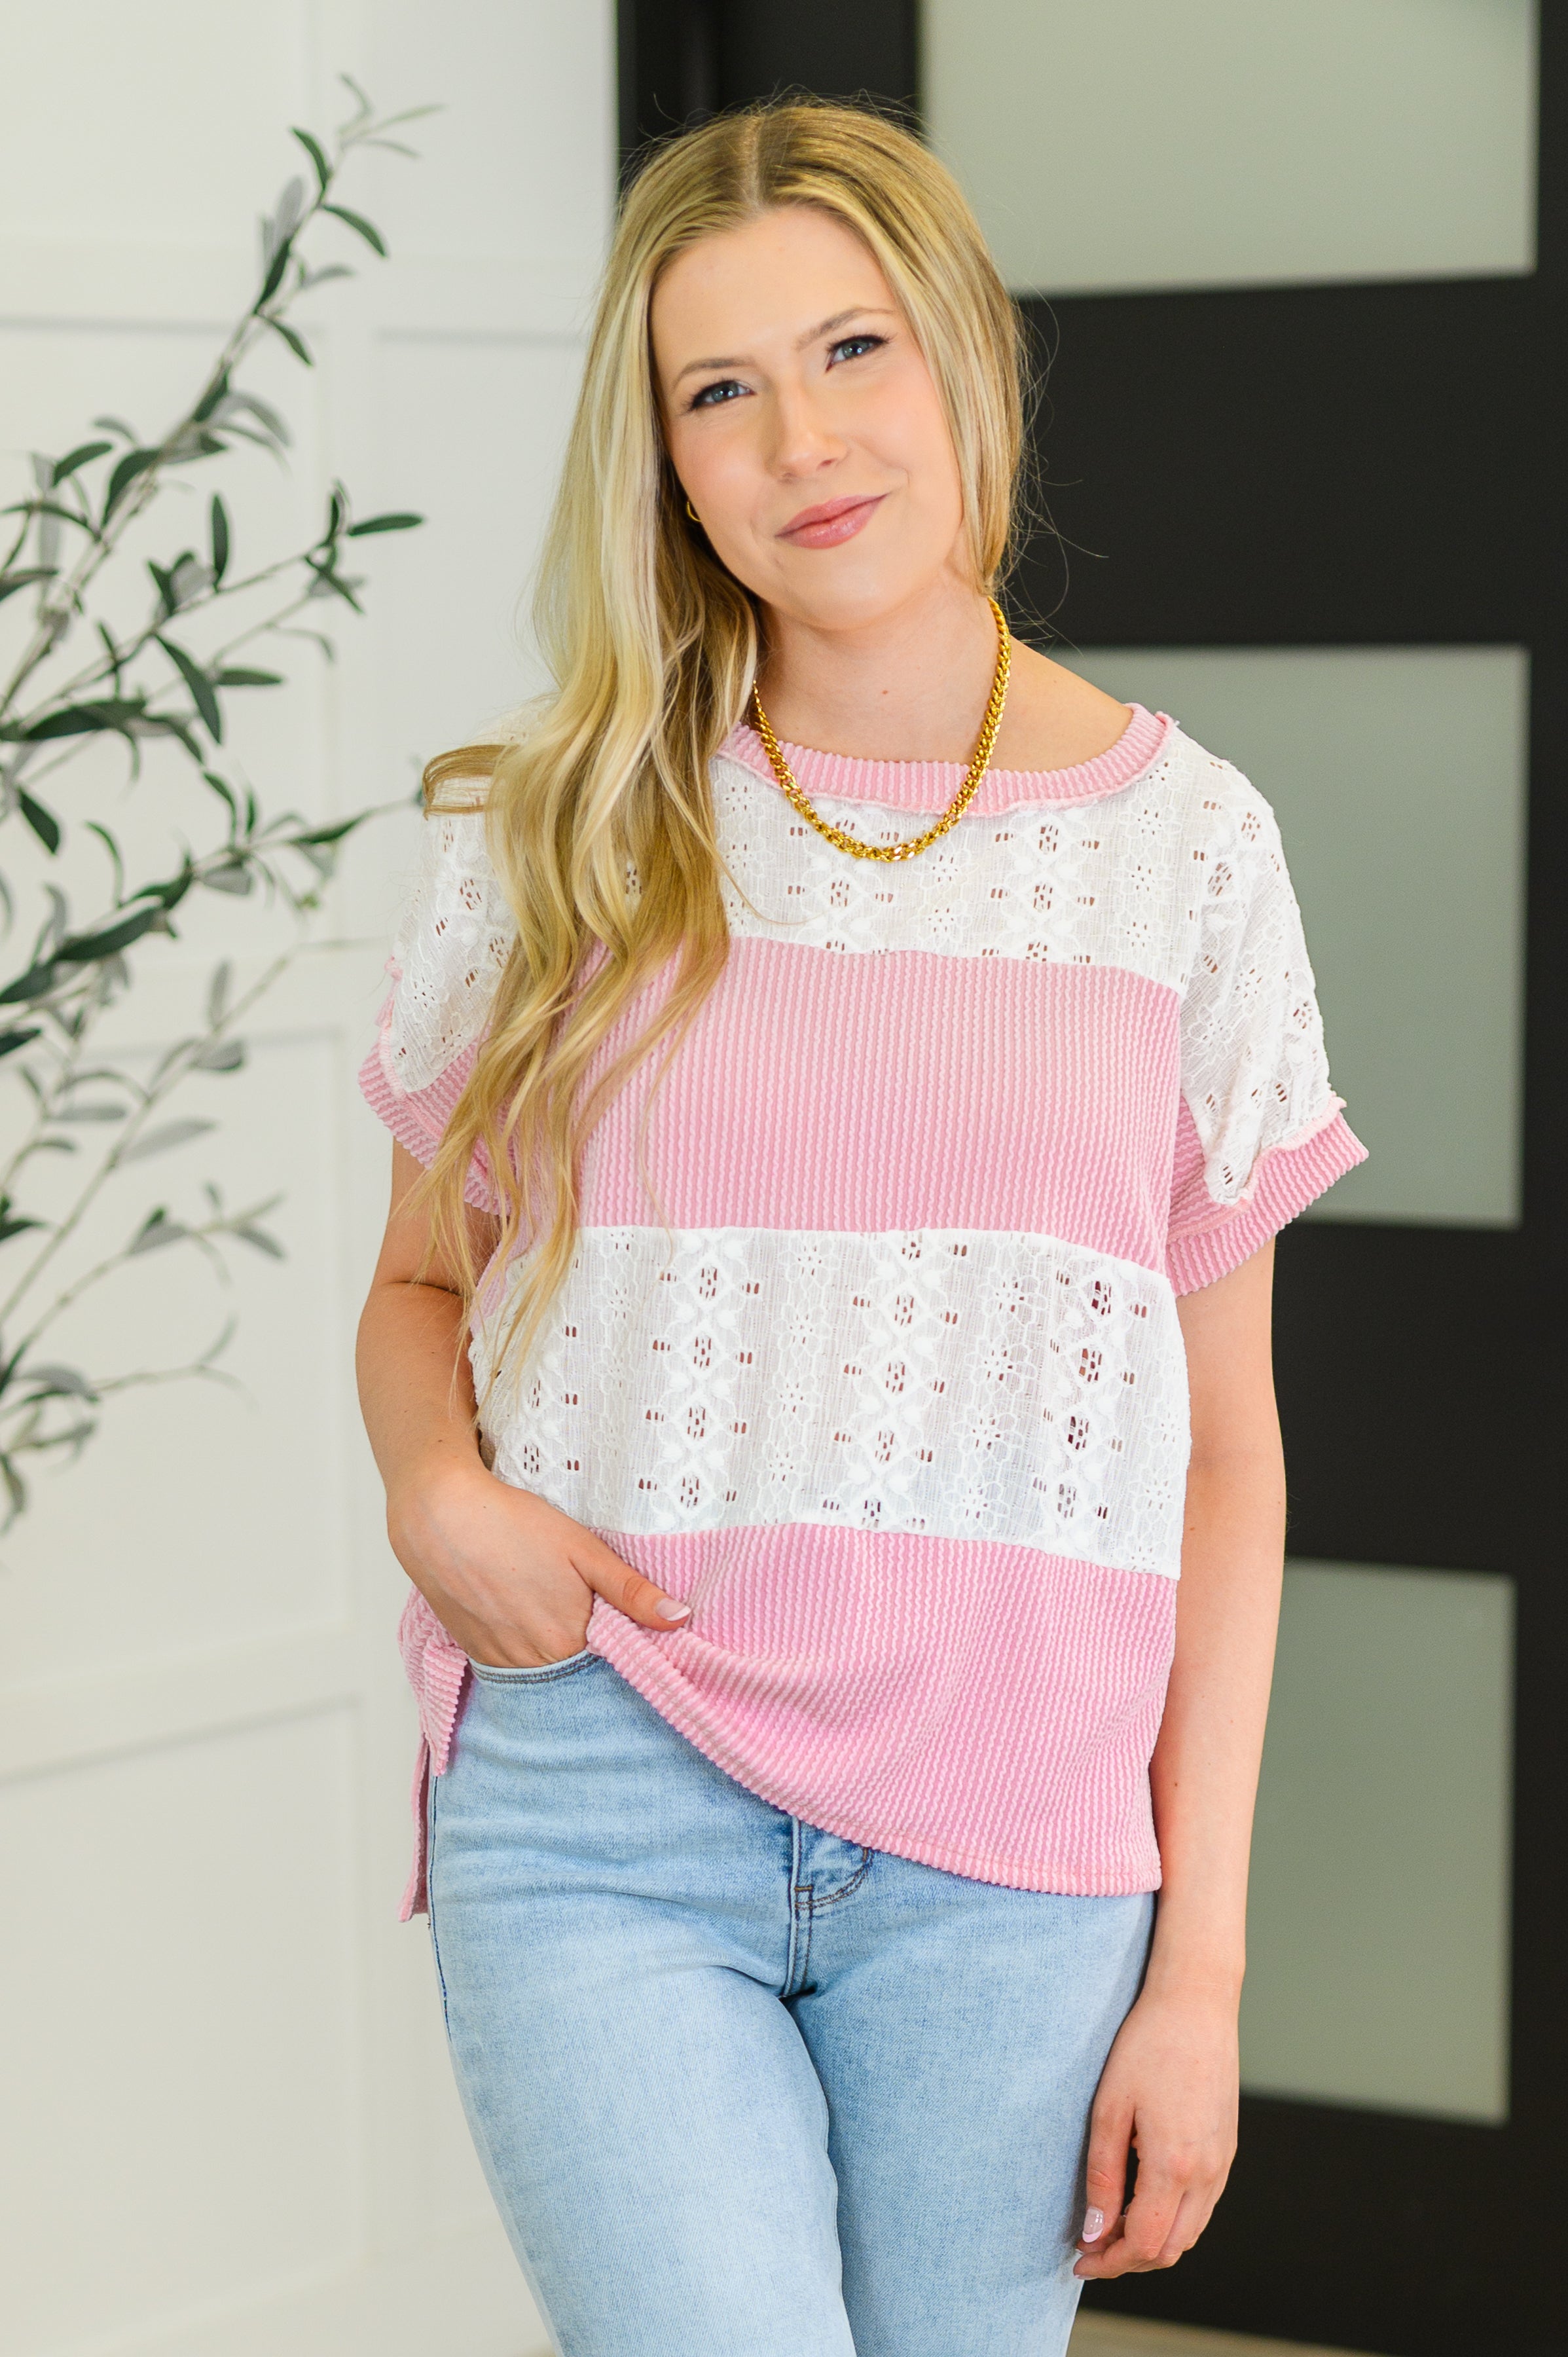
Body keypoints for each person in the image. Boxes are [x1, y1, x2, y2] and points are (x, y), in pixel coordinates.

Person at [354, 100, 1364, 2357]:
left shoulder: (1186, 848)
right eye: (718, 389)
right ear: (663, 459)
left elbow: (1227, 1453)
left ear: (964, 364)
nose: (800, 440)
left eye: (851, 350)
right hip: (603, 1796)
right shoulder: (567, 829)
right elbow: (421, 1285)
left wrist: (1196, 1972)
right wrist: (437, 1488)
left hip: (1015, 1848)